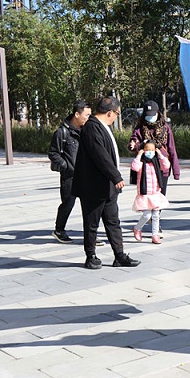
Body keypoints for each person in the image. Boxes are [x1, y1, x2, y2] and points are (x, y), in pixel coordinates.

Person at [72, 96, 140, 270]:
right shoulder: (92, 128)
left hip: (107, 186)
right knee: (92, 223)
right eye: (117, 113)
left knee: (113, 221)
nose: (117, 116)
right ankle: (91, 256)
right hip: (93, 186)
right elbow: (100, 155)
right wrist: (116, 176)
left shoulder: (101, 126)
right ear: (110, 112)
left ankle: (119, 255)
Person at [128, 100, 180, 233]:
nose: (150, 117)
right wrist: (133, 145)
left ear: (158, 113)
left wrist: (176, 171)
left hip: (162, 167)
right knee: (146, 195)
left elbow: (171, 148)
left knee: (159, 197)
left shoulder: (165, 128)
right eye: (147, 114)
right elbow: (133, 141)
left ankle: (156, 225)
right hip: (146, 168)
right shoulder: (140, 128)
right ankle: (149, 218)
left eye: (152, 114)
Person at [47, 100, 94, 244]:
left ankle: (91, 235)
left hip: (86, 175)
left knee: (90, 206)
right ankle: (59, 230)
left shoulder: (87, 130)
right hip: (70, 176)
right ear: (77, 114)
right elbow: (53, 153)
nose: (88, 118)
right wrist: (66, 166)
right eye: (86, 115)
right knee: (68, 203)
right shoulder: (63, 132)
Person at [130, 140, 171, 244]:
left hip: (156, 193)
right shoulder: (142, 162)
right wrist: (138, 156)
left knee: (156, 215)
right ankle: (137, 228)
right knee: (147, 215)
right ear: (143, 150)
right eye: (147, 150)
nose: (150, 152)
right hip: (145, 193)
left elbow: (166, 165)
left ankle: (155, 235)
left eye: (152, 150)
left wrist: (160, 154)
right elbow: (135, 167)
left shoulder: (156, 161)